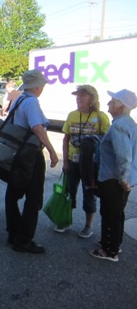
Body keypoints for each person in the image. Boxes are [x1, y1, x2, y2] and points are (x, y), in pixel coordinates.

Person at [5, 69, 59, 254]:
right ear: (37, 86)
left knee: (12, 194)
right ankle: (24, 240)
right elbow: (37, 127)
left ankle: (13, 233)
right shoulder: (32, 102)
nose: (43, 87)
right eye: (42, 84)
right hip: (30, 156)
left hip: (16, 153)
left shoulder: (18, 99)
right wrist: (52, 151)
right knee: (33, 199)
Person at [89, 89, 137, 262]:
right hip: (125, 179)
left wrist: (123, 179)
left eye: (112, 101)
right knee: (117, 212)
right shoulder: (130, 123)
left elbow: (124, 155)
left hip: (113, 179)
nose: (108, 104)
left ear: (120, 105)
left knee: (110, 213)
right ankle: (115, 242)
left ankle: (109, 251)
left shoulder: (118, 126)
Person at [56, 85, 110, 238]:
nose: (78, 98)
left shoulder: (100, 117)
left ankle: (88, 226)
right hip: (73, 161)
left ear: (91, 98)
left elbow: (107, 142)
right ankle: (65, 220)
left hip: (91, 164)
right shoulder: (72, 115)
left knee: (89, 193)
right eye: (77, 96)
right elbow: (66, 138)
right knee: (68, 192)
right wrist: (65, 161)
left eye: (82, 96)